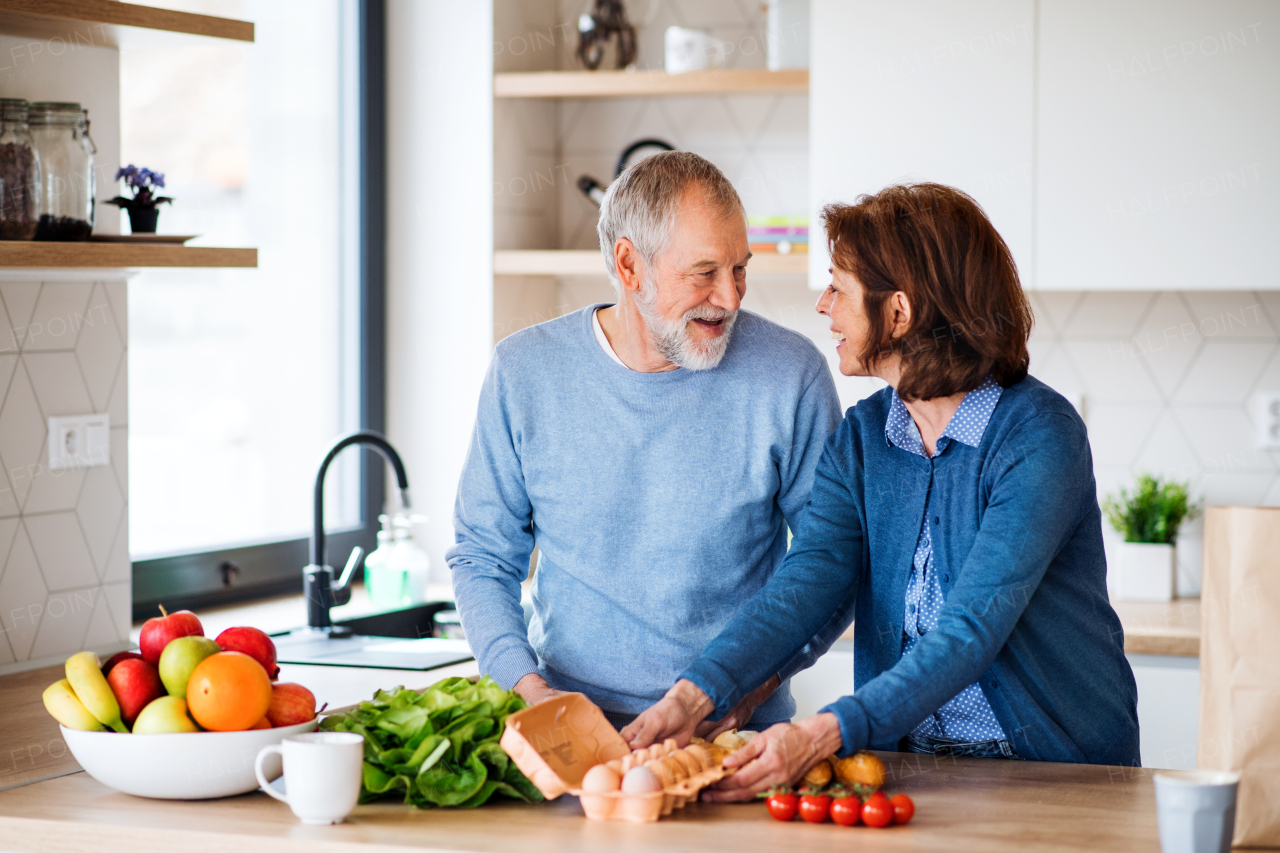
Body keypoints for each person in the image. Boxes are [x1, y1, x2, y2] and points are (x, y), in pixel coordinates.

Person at [622, 183, 1140, 797]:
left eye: (838, 287)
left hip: (1058, 772)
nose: (823, 306)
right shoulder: (866, 436)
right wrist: (696, 692)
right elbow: (808, 581)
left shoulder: (1037, 436)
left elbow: (971, 627)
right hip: (913, 773)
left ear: (898, 312)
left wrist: (823, 732)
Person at [448, 151, 848, 731]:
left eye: (740, 269)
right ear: (630, 267)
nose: (732, 297)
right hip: (571, 730)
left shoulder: (790, 375)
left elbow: (833, 565)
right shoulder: (524, 372)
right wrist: (528, 692)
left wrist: (750, 688)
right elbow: (483, 555)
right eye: (704, 272)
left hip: (734, 731)